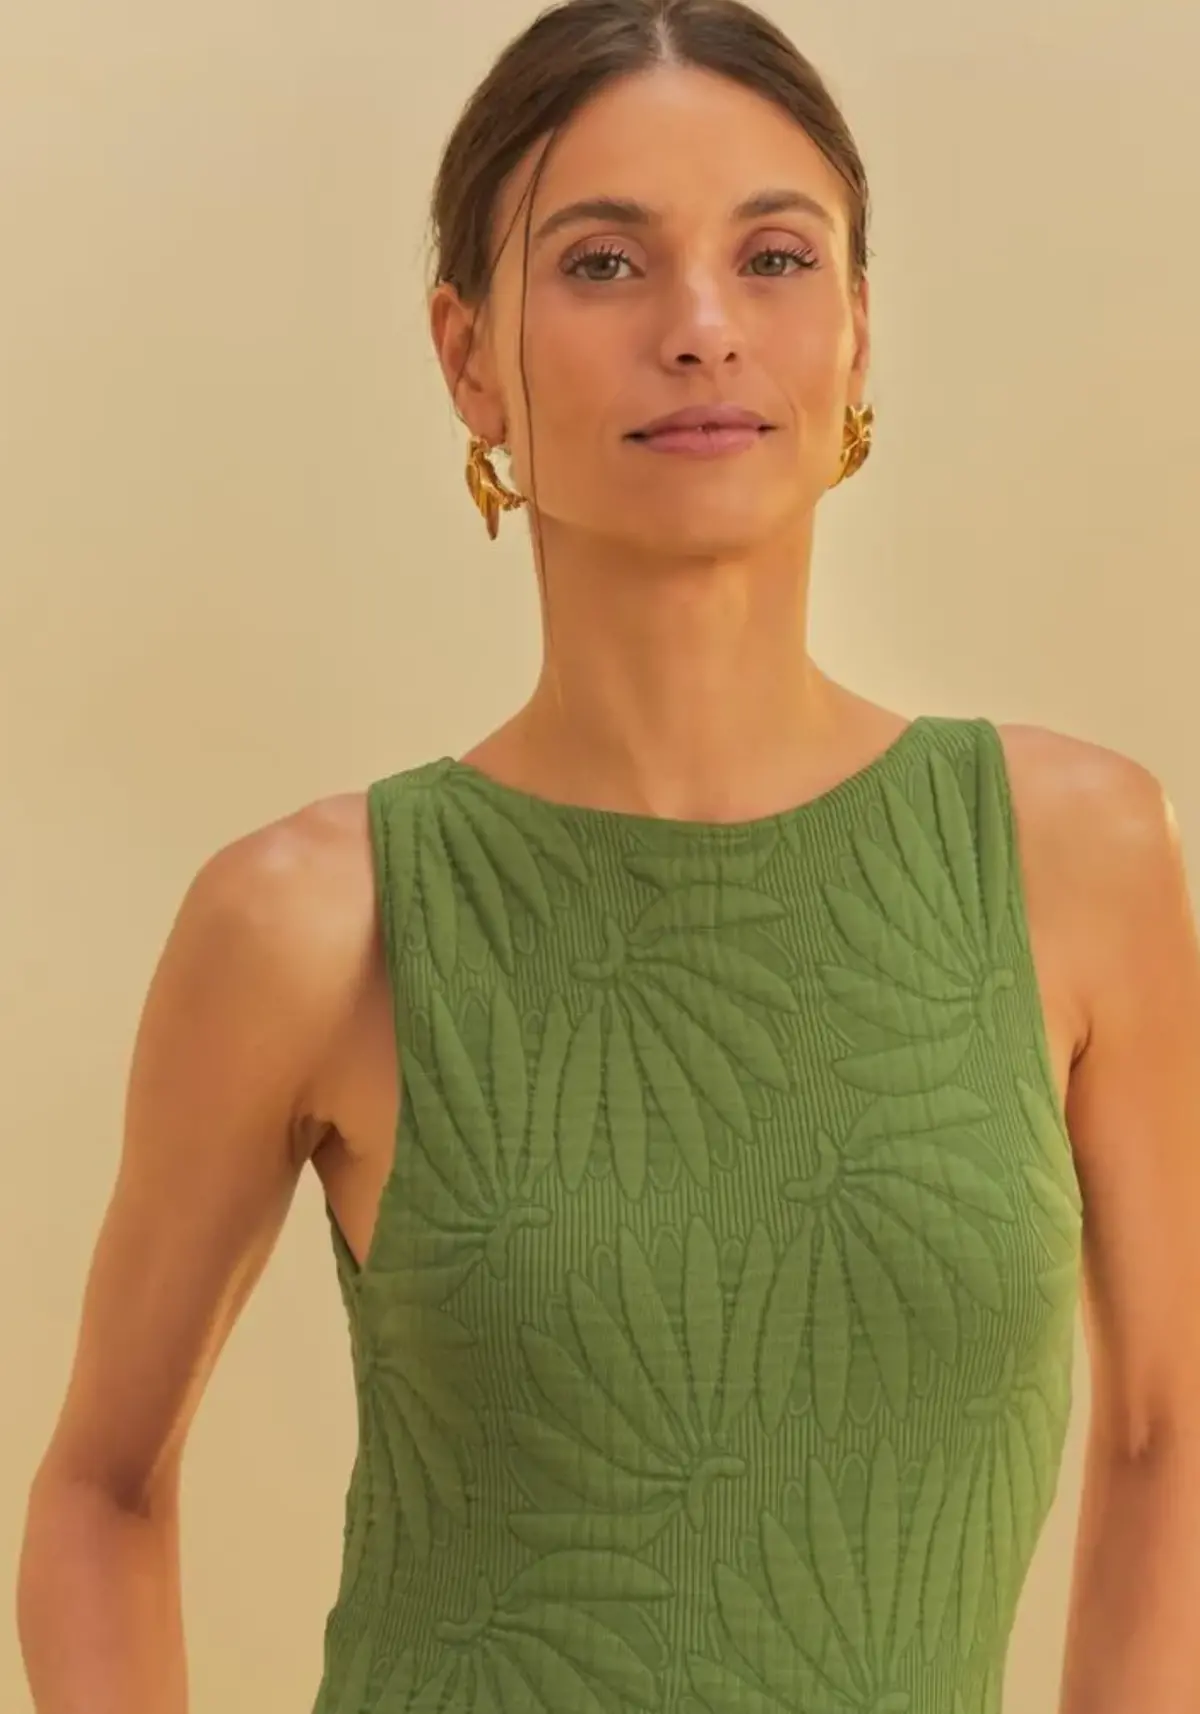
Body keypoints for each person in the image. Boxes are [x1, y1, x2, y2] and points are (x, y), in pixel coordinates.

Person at [18, 1, 1200, 1710]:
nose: (703, 329)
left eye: (776, 258)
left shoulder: (1068, 855)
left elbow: (1167, 1430)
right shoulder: (316, 919)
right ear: (469, 357)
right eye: (601, 264)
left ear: (859, 329)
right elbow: (99, 1489)